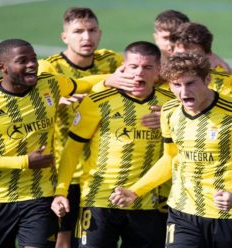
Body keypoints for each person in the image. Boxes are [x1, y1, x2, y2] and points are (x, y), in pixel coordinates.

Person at [109, 52, 232, 247]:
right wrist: (135, 191)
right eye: (176, 85)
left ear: (207, 79)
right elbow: (170, 159)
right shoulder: (169, 111)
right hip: (182, 213)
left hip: (230, 216)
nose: (184, 92)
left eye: (190, 83)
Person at [0, 39, 94, 248]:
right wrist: (24, 162)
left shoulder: (51, 84)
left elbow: (87, 83)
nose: (32, 64)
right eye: (23, 61)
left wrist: (120, 78)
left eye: (33, 59)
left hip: (41, 196)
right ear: (2, 67)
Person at [51, 41, 174, 248]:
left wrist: (169, 123)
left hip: (144, 201)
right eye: (133, 66)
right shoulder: (97, 102)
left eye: (147, 67)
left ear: (158, 72)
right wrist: (61, 191)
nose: (139, 73)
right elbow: (72, 149)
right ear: (123, 68)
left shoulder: (171, 105)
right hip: (98, 199)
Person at [37, 7, 123, 248]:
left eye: (92, 30)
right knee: (62, 239)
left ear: (100, 33)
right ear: (65, 37)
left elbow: (152, 69)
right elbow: (38, 98)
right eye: (78, 31)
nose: (86, 37)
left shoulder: (112, 61)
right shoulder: (50, 68)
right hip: (65, 169)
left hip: (101, 170)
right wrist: (54, 100)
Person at [167, 21, 232, 99]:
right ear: (171, 52)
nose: (186, 62)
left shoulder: (226, 82)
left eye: (193, 56)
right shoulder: (158, 77)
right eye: (180, 55)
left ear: (209, 55)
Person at [153, 9, 232, 72]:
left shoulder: (210, 62)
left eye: (177, 39)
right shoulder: (149, 60)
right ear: (156, 38)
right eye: (166, 38)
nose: (171, 44)